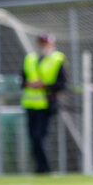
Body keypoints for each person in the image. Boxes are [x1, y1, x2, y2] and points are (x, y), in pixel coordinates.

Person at [20, 33, 67, 174]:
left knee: (39, 136)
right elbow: (22, 80)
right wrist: (29, 83)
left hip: (46, 105)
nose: (44, 47)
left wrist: (44, 86)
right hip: (30, 104)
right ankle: (40, 168)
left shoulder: (57, 59)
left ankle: (44, 168)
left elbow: (62, 84)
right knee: (33, 138)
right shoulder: (30, 59)